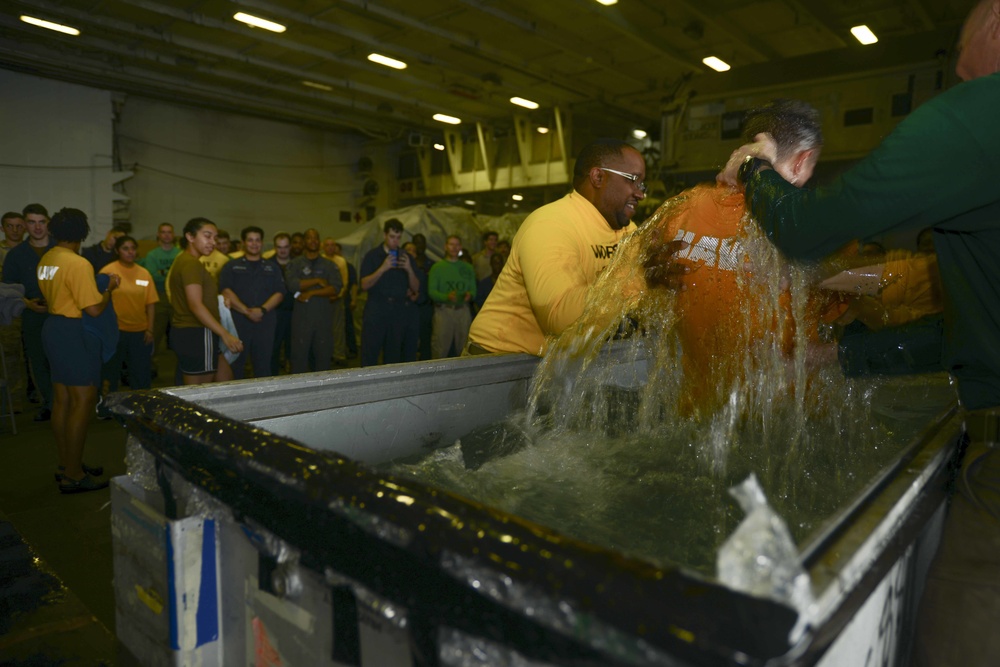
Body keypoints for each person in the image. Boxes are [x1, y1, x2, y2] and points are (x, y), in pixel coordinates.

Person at [716, 3, 1000, 662]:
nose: (961, 83)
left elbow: (805, 229)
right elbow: (976, 331)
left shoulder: (981, 113)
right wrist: (838, 352)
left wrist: (755, 169)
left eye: (964, 65)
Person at [468, 139, 645, 355]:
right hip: (498, 364)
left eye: (642, 184)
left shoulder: (628, 231)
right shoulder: (551, 223)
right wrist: (642, 277)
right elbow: (561, 319)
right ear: (598, 177)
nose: (640, 194)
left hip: (554, 366)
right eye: (633, 180)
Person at [37, 208, 120, 493]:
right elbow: (94, 309)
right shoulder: (78, 263)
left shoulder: (47, 258)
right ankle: (73, 474)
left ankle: (67, 463)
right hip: (74, 332)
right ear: (82, 233)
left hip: (52, 327)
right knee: (83, 400)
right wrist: (109, 287)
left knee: (62, 399)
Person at [168, 217, 242, 385]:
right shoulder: (190, 264)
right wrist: (225, 334)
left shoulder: (188, 261)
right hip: (197, 333)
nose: (212, 242)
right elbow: (195, 304)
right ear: (190, 237)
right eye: (207, 236)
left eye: (215, 237)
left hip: (197, 333)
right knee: (200, 392)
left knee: (225, 377)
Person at [2, 204, 56, 421]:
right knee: (38, 362)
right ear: (25, 225)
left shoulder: (59, 251)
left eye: (41, 222)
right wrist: (27, 303)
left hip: (60, 315)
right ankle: (50, 403)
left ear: (48, 223)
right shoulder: (16, 255)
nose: (37, 227)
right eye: (32, 222)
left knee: (60, 361)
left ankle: (63, 402)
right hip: (32, 315)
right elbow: (8, 289)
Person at [218, 226, 285, 379]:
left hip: (265, 321)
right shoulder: (231, 266)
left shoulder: (272, 267)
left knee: (263, 364)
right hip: (238, 322)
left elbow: (280, 293)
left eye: (257, 240)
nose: (254, 244)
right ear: (243, 243)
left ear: (262, 243)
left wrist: (262, 310)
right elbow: (226, 290)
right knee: (235, 364)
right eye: (250, 240)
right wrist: (247, 311)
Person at [99, 235, 158, 397]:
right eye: (125, 248)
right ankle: (107, 407)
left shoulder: (144, 274)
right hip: (115, 332)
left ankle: (141, 405)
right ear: (117, 251)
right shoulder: (108, 272)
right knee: (110, 373)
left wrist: (150, 330)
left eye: (133, 248)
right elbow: (99, 303)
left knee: (140, 374)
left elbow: (150, 304)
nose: (130, 252)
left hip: (140, 332)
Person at [359, 219, 420, 366]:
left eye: (398, 237)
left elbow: (416, 288)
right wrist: (382, 268)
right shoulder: (372, 256)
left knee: (393, 356)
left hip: (398, 312)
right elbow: (364, 285)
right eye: (392, 237)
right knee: (370, 353)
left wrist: (409, 269)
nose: (395, 241)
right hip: (376, 309)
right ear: (385, 235)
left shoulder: (406, 257)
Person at [285, 228, 340, 373]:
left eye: (316, 238)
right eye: (309, 238)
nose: (313, 241)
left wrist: (311, 293)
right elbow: (293, 285)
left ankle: (323, 394)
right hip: (301, 319)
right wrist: (317, 280)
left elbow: (335, 288)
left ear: (319, 242)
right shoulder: (295, 264)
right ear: (304, 242)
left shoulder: (329, 265)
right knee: (298, 360)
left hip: (323, 319)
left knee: (323, 359)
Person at [139, 222, 180, 367]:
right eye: (163, 232)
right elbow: (152, 276)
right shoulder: (152, 255)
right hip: (159, 296)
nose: (166, 235)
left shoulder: (180, 254)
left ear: (173, 235)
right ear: (158, 235)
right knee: (156, 332)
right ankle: (150, 363)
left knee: (180, 333)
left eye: (169, 232)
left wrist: (162, 273)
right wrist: (169, 274)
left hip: (177, 297)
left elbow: (180, 276)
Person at [429, 235, 477, 358]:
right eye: (451, 244)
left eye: (457, 245)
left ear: (460, 247)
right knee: (439, 348)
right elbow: (432, 292)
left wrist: (469, 295)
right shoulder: (437, 268)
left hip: (463, 311)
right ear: (446, 247)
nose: (454, 247)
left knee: (464, 348)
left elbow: (473, 290)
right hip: (444, 312)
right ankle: (437, 375)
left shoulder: (468, 268)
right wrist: (446, 297)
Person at [269, 232, 294, 375]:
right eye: (279, 247)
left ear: (290, 247)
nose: (282, 250)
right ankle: (273, 375)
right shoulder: (268, 265)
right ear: (274, 248)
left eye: (285, 247)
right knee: (274, 346)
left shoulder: (297, 264)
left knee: (293, 346)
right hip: (274, 313)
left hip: (295, 312)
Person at [322, 237, 349, 365]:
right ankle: (325, 354)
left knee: (338, 329)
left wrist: (338, 295)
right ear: (323, 246)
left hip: (337, 299)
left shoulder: (341, 261)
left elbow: (344, 282)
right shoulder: (320, 260)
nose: (330, 247)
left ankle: (339, 354)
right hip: (322, 300)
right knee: (323, 329)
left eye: (332, 245)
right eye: (327, 245)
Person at [409, 233, 435, 360]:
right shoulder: (407, 263)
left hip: (426, 307)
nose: (419, 246)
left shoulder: (432, 264)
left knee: (426, 340)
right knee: (410, 340)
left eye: (422, 243)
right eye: (416, 242)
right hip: (410, 307)